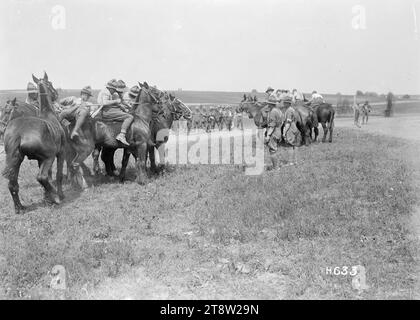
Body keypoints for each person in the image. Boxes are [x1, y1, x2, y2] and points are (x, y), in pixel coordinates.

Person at [97, 79, 133, 145]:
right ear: (110, 88)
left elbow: (121, 101)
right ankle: (122, 135)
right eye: (114, 89)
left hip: (109, 110)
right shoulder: (106, 92)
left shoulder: (111, 92)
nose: (115, 91)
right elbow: (105, 102)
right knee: (129, 117)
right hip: (106, 111)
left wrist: (129, 106)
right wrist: (116, 101)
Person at [265, 103, 285, 170]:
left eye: (268, 103)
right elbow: (282, 122)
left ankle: (276, 168)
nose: (267, 105)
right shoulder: (279, 111)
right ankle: (276, 165)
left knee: (272, 151)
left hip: (273, 133)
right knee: (275, 150)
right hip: (278, 131)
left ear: (270, 104)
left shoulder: (273, 112)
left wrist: (268, 135)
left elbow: (272, 125)